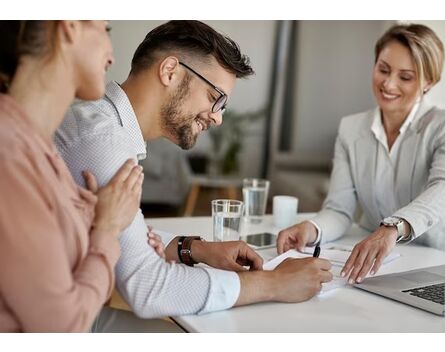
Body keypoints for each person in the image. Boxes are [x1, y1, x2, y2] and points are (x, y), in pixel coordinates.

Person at [55, 20, 333, 328]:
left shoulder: (102, 124)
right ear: (170, 71)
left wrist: (195, 249)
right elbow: (146, 285)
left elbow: (126, 237)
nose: (217, 118)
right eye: (216, 98)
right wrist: (273, 284)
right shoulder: (105, 142)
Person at [277, 23, 445, 285]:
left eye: (406, 76)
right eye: (383, 69)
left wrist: (392, 227)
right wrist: (311, 228)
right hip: (383, 268)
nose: (388, 84)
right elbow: (340, 209)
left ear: (429, 82)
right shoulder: (351, 128)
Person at [0, 21, 144, 332]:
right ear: (70, 26)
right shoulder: (10, 154)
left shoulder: (39, 148)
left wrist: (93, 221)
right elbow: (63, 329)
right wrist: (108, 229)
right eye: (105, 29)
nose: (112, 55)